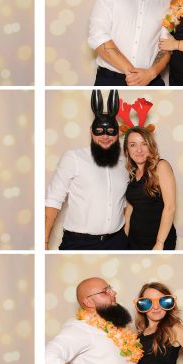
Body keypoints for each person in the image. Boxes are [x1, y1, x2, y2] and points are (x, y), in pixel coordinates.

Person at [45, 90, 129, 250]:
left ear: (118, 133)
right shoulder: (73, 158)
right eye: (99, 131)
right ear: (91, 131)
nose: (105, 136)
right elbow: (53, 200)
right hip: (79, 243)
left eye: (110, 131)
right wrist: (44, 241)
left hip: (117, 242)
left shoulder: (125, 163)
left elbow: (124, 203)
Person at [45, 277, 143, 364]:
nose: (114, 293)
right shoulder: (80, 328)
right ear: (88, 301)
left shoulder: (118, 328)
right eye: (105, 292)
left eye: (110, 288)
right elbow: (46, 360)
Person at [88, 0, 171, 86]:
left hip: (150, 79)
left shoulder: (164, 7)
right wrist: (133, 74)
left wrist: (150, 74)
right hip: (110, 80)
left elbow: (166, 47)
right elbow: (98, 36)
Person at [124, 127, 177, 250]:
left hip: (158, 241)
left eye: (144, 144)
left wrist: (160, 243)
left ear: (151, 146)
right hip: (134, 241)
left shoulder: (161, 166)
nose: (139, 150)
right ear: (127, 150)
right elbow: (130, 210)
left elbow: (170, 207)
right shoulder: (133, 174)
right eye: (133, 145)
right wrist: (124, 239)